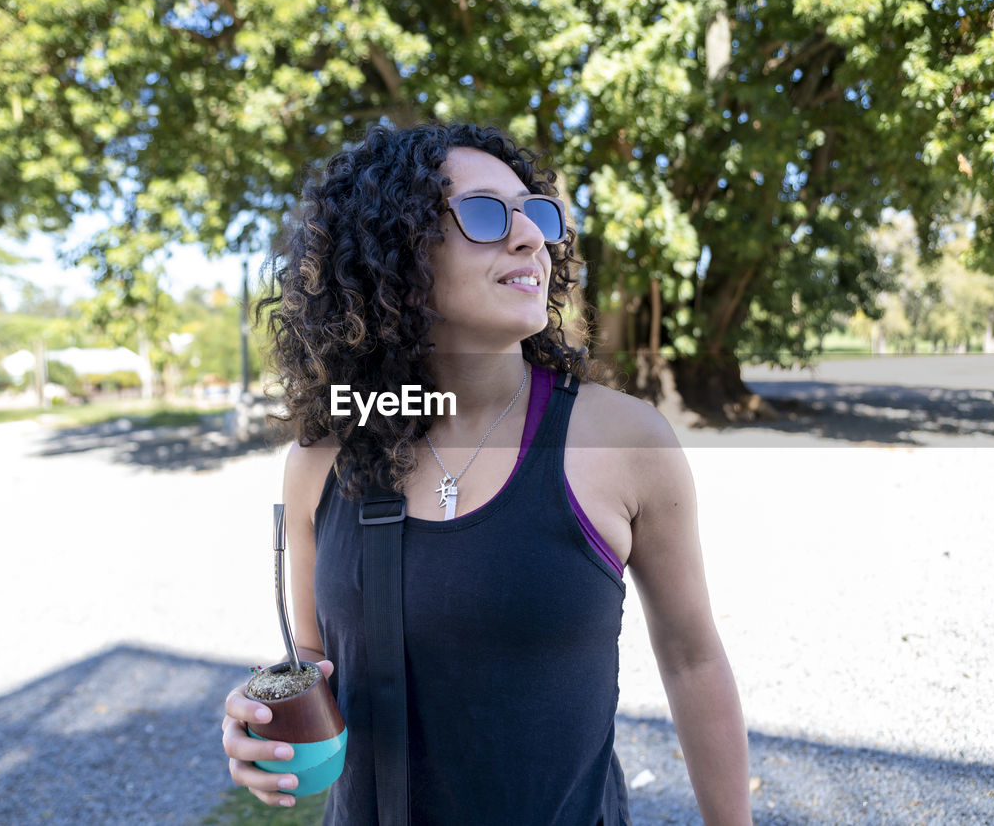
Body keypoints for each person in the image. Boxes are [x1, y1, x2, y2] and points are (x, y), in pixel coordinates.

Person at [221, 122, 751, 825]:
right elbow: (317, 657)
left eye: (537, 213)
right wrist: (265, 711)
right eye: (483, 213)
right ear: (395, 253)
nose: (532, 237)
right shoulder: (321, 462)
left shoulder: (622, 441)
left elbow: (692, 659)